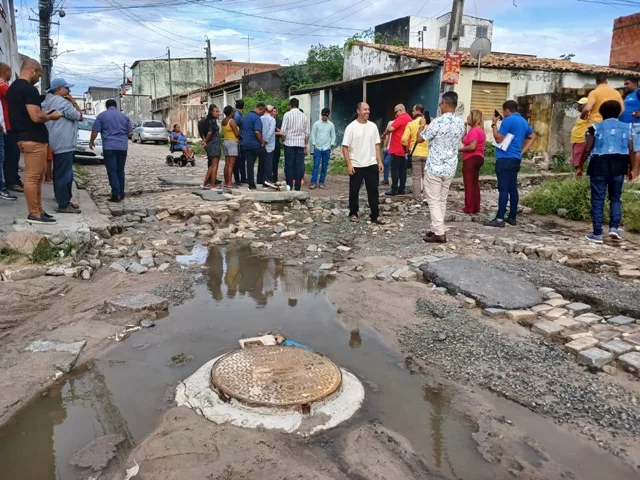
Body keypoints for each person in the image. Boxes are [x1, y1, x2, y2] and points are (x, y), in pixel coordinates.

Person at [7, 58, 62, 224]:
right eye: (39, 74)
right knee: (33, 177)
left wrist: (42, 112)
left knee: (37, 177)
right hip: (33, 138)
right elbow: (36, 117)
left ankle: (38, 210)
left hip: (24, 136)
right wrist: (52, 116)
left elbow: (28, 113)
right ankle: (34, 213)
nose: (39, 78)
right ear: (33, 71)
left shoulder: (13, 89)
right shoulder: (28, 90)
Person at [576, 100, 632, 243]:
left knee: (598, 199)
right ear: (619, 112)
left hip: (599, 164)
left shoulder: (595, 127)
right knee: (615, 197)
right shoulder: (627, 127)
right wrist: (632, 168)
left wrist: (579, 165)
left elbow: (587, 148)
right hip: (620, 164)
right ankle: (614, 228)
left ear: (601, 113)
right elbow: (631, 149)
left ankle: (597, 233)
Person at [416, 92, 466, 243]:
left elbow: (420, 139)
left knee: (433, 200)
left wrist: (422, 126)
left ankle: (439, 232)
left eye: (440, 104)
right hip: (450, 167)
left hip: (435, 166)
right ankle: (436, 227)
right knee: (442, 200)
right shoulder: (460, 123)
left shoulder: (437, 122)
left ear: (444, 103)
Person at [485, 100, 536, 228]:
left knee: (503, 189)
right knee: (512, 188)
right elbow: (532, 136)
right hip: (515, 158)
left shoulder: (508, 120)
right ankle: (512, 216)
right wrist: (521, 151)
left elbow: (498, 138)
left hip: (504, 158)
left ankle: (500, 218)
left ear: (507, 110)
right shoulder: (523, 121)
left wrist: (494, 124)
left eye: (504, 111)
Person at [41, 77, 83, 213]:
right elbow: (79, 116)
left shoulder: (48, 101)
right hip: (64, 142)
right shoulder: (61, 102)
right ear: (58, 89)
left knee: (60, 172)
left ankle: (64, 198)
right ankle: (63, 203)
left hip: (55, 140)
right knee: (64, 174)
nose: (69, 90)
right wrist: (74, 102)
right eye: (66, 88)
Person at [342, 102, 384, 224]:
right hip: (356, 164)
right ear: (358, 111)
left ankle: (375, 215)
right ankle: (354, 212)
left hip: (371, 163)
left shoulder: (373, 127)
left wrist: (379, 162)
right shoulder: (351, 127)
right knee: (354, 190)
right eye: (365, 109)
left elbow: (377, 145)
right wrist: (349, 164)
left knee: (373, 190)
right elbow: (345, 147)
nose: (367, 112)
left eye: (368, 109)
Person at [90, 98, 132, 203]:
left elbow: (95, 131)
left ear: (106, 106)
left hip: (109, 147)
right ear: (116, 106)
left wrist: (91, 141)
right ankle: (121, 194)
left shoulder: (102, 116)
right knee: (120, 170)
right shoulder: (124, 117)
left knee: (112, 171)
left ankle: (116, 194)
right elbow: (130, 133)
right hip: (122, 147)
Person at [0, 62, 23, 194]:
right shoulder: (2, 86)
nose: (10, 73)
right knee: (11, 155)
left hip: (9, 125)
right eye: (8, 71)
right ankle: (11, 181)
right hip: (7, 126)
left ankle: (13, 179)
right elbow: (15, 98)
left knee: (13, 155)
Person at [458, 109, 486, 214]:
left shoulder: (474, 130)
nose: (468, 118)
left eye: (469, 116)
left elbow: (472, 146)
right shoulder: (478, 130)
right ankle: (475, 206)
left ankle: (469, 207)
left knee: (468, 183)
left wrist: (459, 150)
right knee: (474, 183)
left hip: (471, 158)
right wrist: (464, 128)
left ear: (474, 118)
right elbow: (465, 140)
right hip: (479, 157)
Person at [381, 104, 412, 196]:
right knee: (403, 170)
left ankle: (394, 188)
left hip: (397, 148)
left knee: (394, 169)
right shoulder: (409, 119)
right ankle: (402, 188)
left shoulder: (401, 118)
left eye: (396, 112)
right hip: (405, 149)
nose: (395, 115)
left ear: (400, 110)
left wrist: (384, 134)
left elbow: (391, 128)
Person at [280, 97, 309, 191]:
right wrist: (305, 144)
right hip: (300, 144)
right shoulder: (304, 116)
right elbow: (307, 133)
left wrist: (283, 140)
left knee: (289, 165)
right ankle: (298, 186)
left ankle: (289, 186)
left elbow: (283, 131)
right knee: (299, 165)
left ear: (290, 106)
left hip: (289, 143)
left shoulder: (287, 115)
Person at [401, 104, 428, 200]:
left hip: (415, 153)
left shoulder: (411, 124)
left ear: (417, 111)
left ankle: (417, 198)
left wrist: (407, 149)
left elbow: (404, 139)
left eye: (413, 110)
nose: (412, 112)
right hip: (427, 154)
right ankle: (426, 197)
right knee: (427, 177)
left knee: (416, 177)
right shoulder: (428, 123)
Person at [240, 102, 265, 190]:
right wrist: (262, 142)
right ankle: (261, 180)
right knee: (264, 159)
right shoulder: (257, 118)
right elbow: (257, 132)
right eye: (263, 111)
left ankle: (251, 184)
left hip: (246, 143)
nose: (263, 114)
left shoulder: (246, 117)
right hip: (254, 144)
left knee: (250, 164)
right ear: (260, 109)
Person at [310, 107, 336, 189]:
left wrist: (330, 145)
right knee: (316, 165)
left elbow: (333, 136)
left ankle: (322, 182)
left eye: (326, 115)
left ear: (328, 116)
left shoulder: (331, 125)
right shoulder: (316, 124)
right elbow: (313, 134)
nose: (324, 117)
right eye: (323, 115)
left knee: (324, 166)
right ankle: (313, 182)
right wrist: (314, 144)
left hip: (326, 148)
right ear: (321, 114)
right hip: (318, 148)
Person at [620, 77, 640, 181]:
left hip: (636, 125)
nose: (625, 86)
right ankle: (631, 173)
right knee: (631, 150)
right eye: (624, 84)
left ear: (635, 83)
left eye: (627, 84)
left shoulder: (638, 92)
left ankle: (635, 172)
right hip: (627, 126)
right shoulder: (628, 95)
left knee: (637, 149)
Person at [201, 104, 222, 190]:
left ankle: (205, 183)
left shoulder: (207, 121)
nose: (218, 113)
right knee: (215, 166)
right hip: (214, 144)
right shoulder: (212, 121)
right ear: (211, 112)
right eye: (216, 111)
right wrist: (205, 141)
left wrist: (205, 141)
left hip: (211, 144)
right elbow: (210, 133)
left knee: (212, 166)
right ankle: (213, 185)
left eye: (218, 111)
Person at [221, 105, 240, 189]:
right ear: (231, 112)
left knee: (227, 163)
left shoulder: (223, 121)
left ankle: (226, 182)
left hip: (225, 141)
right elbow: (236, 133)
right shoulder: (232, 121)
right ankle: (230, 182)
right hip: (232, 142)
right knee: (231, 164)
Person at [258, 104, 276, 187]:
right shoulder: (272, 120)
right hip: (269, 144)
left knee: (261, 162)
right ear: (272, 111)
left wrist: (261, 141)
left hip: (260, 142)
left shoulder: (260, 118)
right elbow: (271, 131)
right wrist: (265, 141)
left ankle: (260, 179)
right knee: (268, 163)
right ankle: (268, 180)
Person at [570, 98, 590, 173]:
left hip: (581, 140)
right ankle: (578, 174)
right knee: (576, 158)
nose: (579, 106)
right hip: (577, 140)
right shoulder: (582, 115)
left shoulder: (589, 114)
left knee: (579, 160)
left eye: (581, 105)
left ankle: (578, 175)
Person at [233, 99, 246, 186]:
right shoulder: (237, 116)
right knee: (238, 160)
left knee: (241, 160)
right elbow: (235, 128)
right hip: (238, 139)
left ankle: (242, 177)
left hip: (239, 139)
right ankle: (238, 179)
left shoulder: (238, 114)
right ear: (243, 107)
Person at [272, 106, 282, 182]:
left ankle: (275, 178)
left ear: (277, 112)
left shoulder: (279, 121)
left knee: (275, 162)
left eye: (275, 111)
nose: (273, 112)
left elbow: (281, 132)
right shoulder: (268, 120)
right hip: (269, 144)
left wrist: (274, 130)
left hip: (276, 143)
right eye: (272, 111)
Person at [381, 120, 393, 186]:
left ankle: (388, 180)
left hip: (393, 148)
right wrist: (385, 146)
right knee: (385, 163)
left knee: (386, 162)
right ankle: (385, 179)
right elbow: (387, 135)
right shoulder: (390, 123)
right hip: (388, 147)